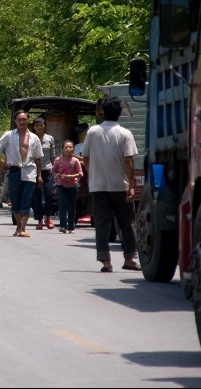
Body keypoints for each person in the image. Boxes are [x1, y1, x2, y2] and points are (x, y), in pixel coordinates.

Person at [83, 96, 140, 273]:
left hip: (99, 186)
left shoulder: (92, 132)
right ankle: (129, 259)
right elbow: (129, 160)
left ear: (102, 113)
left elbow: (86, 157)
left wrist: (93, 175)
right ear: (120, 113)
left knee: (102, 224)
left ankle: (106, 261)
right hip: (120, 186)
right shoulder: (125, 133)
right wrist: (131, 185)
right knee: (127, 223)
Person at [0, 110, 43, 237]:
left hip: (29, 171)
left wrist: (39, 175)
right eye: (19, 119)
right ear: (15, 121)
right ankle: (19, 225)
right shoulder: (9, 135)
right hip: (14, 170)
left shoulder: (34, 138)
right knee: (15, 200)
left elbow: (38, 158)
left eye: (24, 119)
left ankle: (23, 228)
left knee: (27, 199)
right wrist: (1, 162)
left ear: (28, 121)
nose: (22, 122)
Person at [52, 139, 83, 233]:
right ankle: (63, 226)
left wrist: (70, 176)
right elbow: (53, 171)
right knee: (62, 206)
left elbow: (80, 173)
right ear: (62, 149)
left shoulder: (75, 160)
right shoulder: (58, 160)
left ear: (73, 149)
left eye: (70, 147)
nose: (68, 149)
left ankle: (71, 227)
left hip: (72, 186)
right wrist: (57, 175)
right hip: (61, 186)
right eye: (66, 147)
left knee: (71, 207)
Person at [31, 117, 57, 230]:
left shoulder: (50, 139)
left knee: (49, 194)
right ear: (34, 127)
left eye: (41, 125)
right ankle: (39, 220)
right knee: (35, 196)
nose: (39, 127)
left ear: (45, 126)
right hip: (33, 170)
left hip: (47, 170)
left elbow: (53, 156)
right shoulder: (31, 138)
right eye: (37, 125)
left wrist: (55, 169)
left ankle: (48, 217)